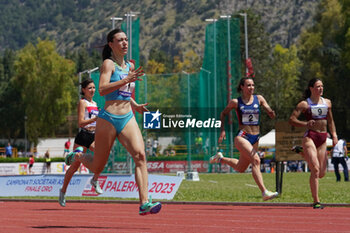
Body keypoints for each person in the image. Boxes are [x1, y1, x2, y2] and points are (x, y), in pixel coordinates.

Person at [65, 28, 161, 215]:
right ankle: (77, 156)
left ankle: (144, 203)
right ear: (111, 44)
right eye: (120, 40)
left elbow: (124, 92)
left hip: (127, 117)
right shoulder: (108, 64)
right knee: (98, 166)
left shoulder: (130, 67)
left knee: (140, 156)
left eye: (126, 39)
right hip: (108, 118)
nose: (125, 43)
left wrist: (135, 105)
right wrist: (126, 79)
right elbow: (102, 89)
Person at [210, 77, 278, 201]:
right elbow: (223, 113)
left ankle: (220, 158)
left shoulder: (259, 99)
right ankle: (264, 192)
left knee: (241, 168)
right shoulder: (236, 102)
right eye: (248, 85)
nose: (251, 87)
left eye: (253, 85)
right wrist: (222, 130)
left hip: (256, 137)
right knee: (256, 160)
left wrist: (270, 112)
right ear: (242, 87)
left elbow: (268, 109)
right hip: (242, 136)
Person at [289, 78, 338, 209]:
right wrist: (305, 124)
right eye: (317, 86)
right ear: (311, 88)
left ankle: (301, 152)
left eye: (322, 86)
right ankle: (316, 201)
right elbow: (292, 119)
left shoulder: (327, 103)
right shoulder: (305, 104)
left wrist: (334, 135)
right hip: (310, 137)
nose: (321, 88)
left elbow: (331, 121)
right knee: (315, 170)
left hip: (322, 139)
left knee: (321, 173)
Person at [59, 79, 102, 207]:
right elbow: (81, 123)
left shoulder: (95, 103)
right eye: (90, 88)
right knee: (74, 167)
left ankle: (95, 180)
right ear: (83, 90)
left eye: (94, 88)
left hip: (94, 136)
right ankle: (63, 191)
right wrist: (95, 119)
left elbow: (97, 121)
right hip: (83, 136)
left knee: (102, 155)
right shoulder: (82, 103)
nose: (92, 90)